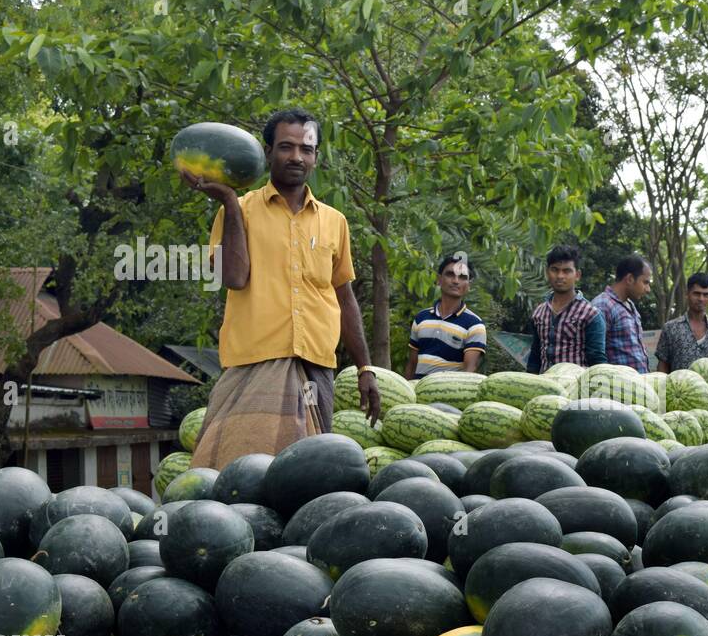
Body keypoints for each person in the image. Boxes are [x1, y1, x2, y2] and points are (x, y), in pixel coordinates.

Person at [185, 108, 378, 469]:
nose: (296, 157)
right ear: (268, 151)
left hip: (315, 367)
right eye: (286, 147)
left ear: (316, 157)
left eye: (306, 149)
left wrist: (366, 368)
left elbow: (344, 298)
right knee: (237, 469)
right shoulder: (238, 210)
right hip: (252, 364)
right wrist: (227, 200)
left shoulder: (334, 222)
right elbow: (233, 278)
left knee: (310, 475)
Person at [404, 254, 487, 380]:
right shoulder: (421, 318)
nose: (455, 281)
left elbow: (469, 370)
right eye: (450, 274)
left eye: (462, 277)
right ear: (439, 279)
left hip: (448, 396)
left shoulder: (475, 325)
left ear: (469, 285)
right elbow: (412, 364)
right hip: (417, 392)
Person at [526, 245, 607, 373]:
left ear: (577, 275)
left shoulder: (591, 314)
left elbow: (597, 361)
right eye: (555, 270)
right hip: (545, 388)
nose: (560, 276)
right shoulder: (538, 313)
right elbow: (535, 357)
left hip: (577, 387)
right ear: (548, 272)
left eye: (567, 271)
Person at [655, 272, 708, 373]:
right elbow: (662, 367)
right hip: (680, 388)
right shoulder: (670, 328)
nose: (701, 299)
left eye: (706, 294)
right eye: (696, 293)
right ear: (687, 294)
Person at [592, 254, 652, 373]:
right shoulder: (603, 305)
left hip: (639, 384)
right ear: (630, 279)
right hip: (618, 387)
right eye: (645, 282)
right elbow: (594, 354)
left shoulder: (630, 305)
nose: (648, 289)